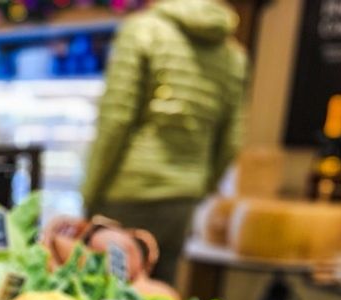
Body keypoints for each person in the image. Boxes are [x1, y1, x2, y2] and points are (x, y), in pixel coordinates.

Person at [81, 0, 247, 284]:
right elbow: (231, 141)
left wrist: (89, 193)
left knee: (105, 299)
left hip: (127, 192)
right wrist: (199, 186)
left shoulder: (142, 31)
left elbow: (115, 121)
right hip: (183, 198)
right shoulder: (234, 55)